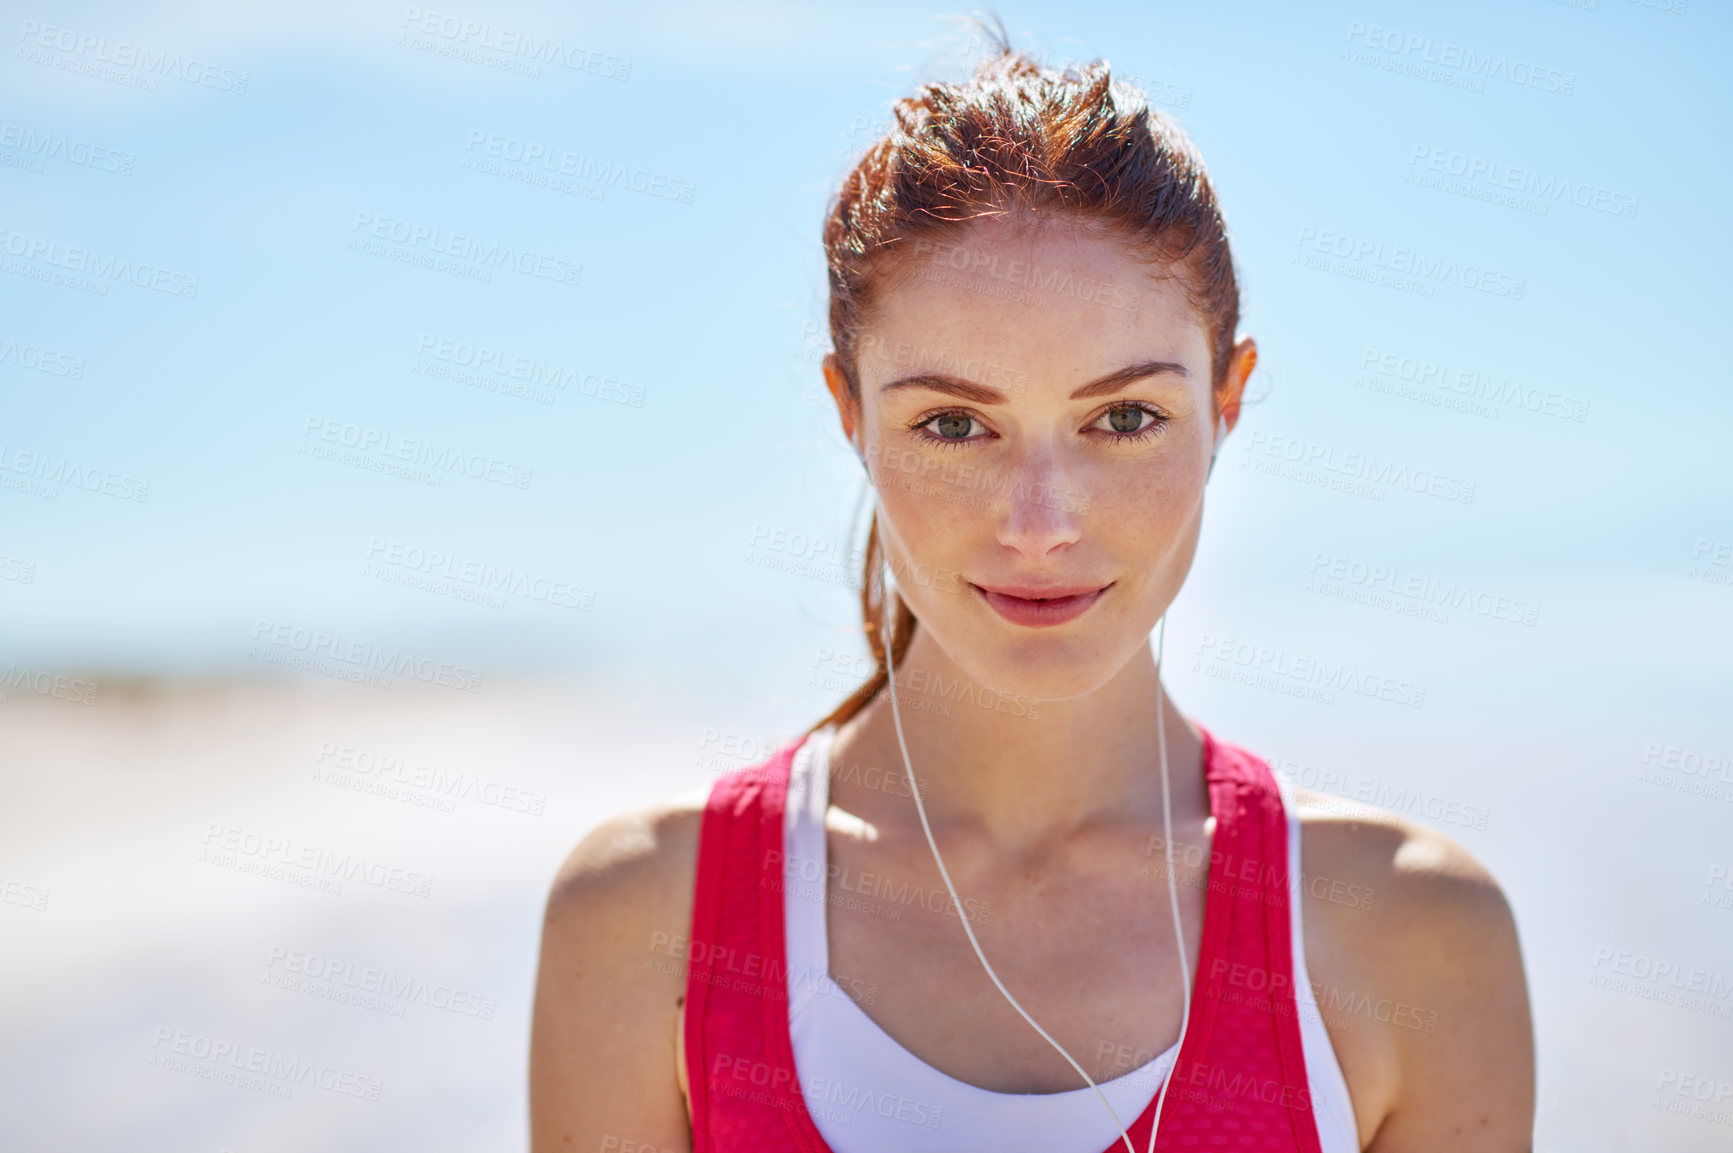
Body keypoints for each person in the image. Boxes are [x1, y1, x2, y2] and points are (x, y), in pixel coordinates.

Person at [529, 39, 1534, 1153]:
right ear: (850, 413)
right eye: (952, 424)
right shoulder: (644, 924)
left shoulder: (1415, 939)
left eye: (1122, 418)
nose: (1040, 522)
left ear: (1227, 401)